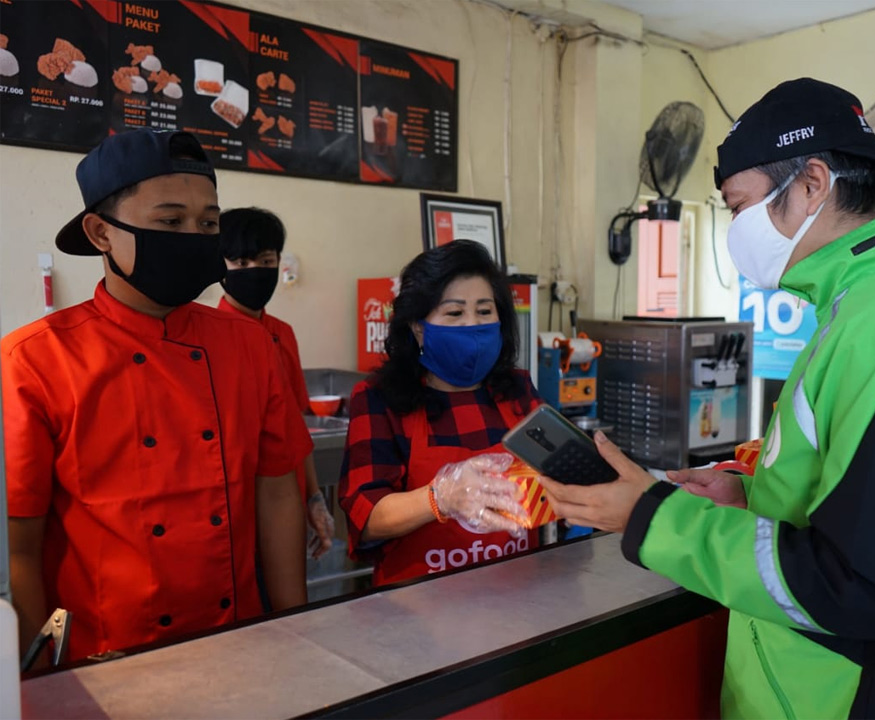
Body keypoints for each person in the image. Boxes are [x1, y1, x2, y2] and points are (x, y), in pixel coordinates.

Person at [540, 78, 875, 719]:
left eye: (739, 207)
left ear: (813, 184)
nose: (736, 230)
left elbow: (873, 587)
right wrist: (749, 499)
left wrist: (651, 517)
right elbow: (859, 508)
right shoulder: (865, 311)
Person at [3, 130, 311, 665]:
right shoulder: (32, 361)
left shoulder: (249, 345)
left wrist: (296, 632)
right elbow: (17, 548)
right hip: (102, 662)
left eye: (208, 223)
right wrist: (39, 682)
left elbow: (278, 493)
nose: (195, 237)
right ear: (100, 233)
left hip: (238, 643)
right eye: (170, 222)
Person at [340, 240, 536, 586]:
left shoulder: (518, 391)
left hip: (517, 597)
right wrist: (440, 497)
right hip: (418, 612)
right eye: (455, 313)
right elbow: (364, 517)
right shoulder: (378, 399)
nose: (472, 326)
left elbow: (560, 479)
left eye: (485, 311)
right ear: (418, 327)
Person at [217, 207, 335, 559]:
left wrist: (314, 498)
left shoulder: (282, 334)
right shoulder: (209, 338)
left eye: (266, 261)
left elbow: (295, 426)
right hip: (234, 511)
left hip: (287, 502)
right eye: (241, 263)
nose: (255, 272)